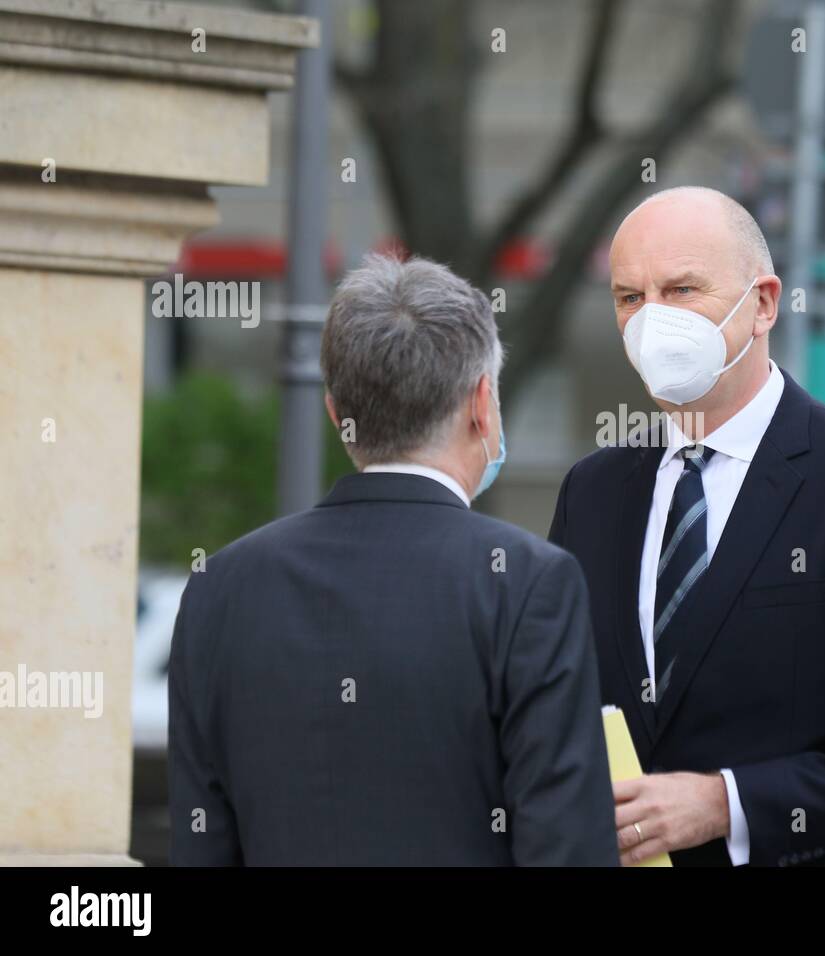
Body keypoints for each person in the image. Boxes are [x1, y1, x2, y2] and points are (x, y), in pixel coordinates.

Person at [548, 186, 825, 867]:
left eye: (683, 289)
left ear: (764, 303)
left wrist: (727, 803)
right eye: (630, 297)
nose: (651, 321)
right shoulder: (594, 491)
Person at [168, 254, 618, 866]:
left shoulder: (220, 585)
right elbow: (565, 848)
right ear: (481, 403)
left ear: (335, 413)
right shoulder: (529, 583)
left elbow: (203, 842)